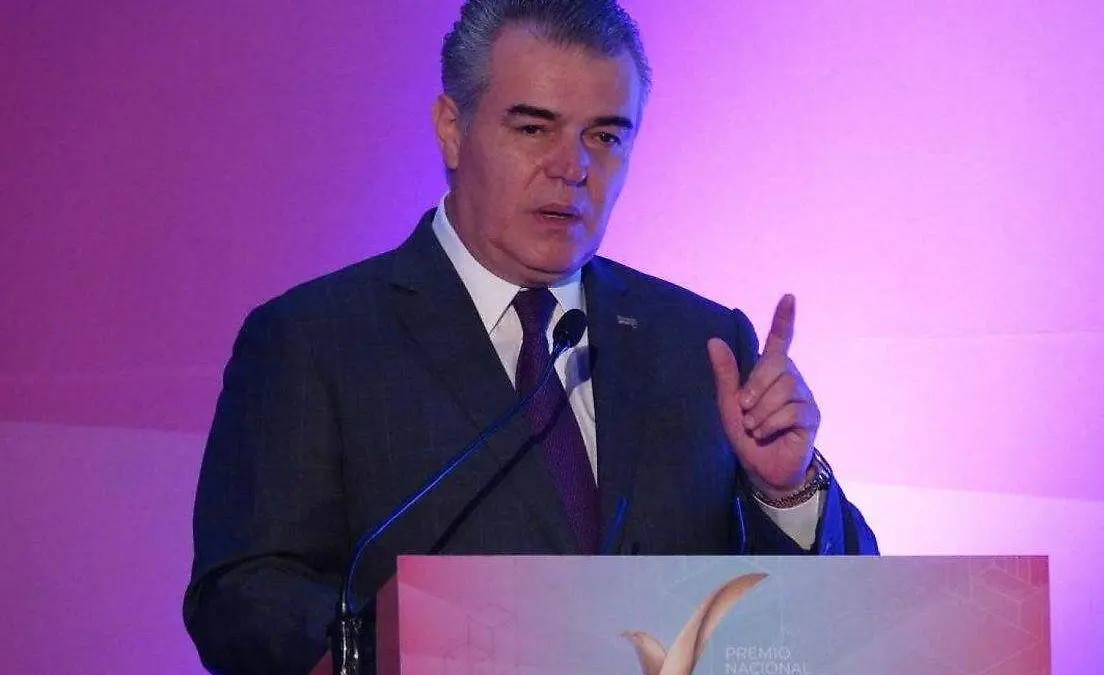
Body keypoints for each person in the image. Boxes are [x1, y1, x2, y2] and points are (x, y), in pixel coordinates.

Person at [184, 1, 877, 673]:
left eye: (605, 136)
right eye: (534, 128)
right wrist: (403, 644)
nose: (572, 167)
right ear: (452, 129)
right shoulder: (315, 341)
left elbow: (843, 622)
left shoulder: (703, 344)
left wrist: (785, 491)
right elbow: (242, 596)